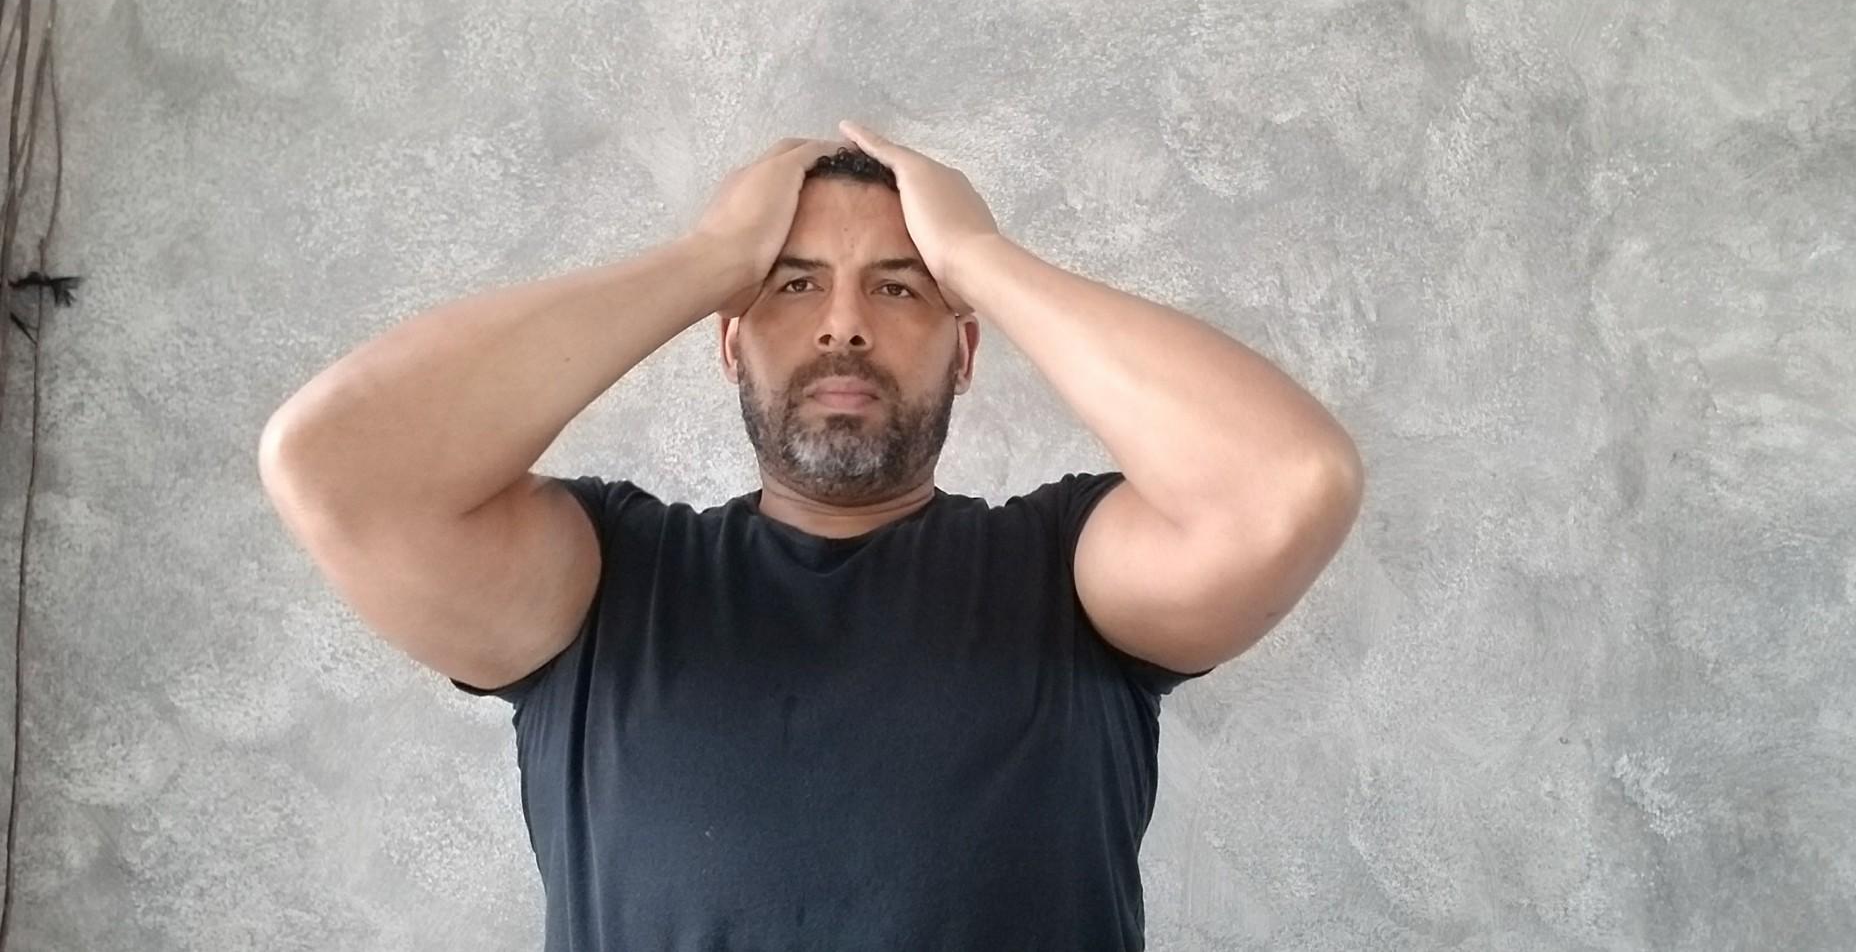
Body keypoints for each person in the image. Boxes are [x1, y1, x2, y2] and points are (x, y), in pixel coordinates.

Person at [259, 121, 1364, 950]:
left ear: (965, 353)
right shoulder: (595, 589)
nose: (844, 323)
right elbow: (335, 465)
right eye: (793, 284)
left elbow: (1287, 485)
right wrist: (704, 258)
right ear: (728, 342)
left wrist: (978, 254)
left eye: (900, 289)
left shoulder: (1070, 579)